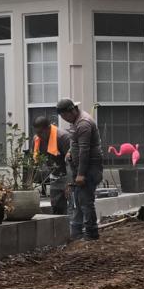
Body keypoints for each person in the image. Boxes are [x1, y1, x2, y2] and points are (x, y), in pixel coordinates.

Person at [56, 98, 104, 241]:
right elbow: (76, 142)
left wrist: (81, 174)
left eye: (65, 116)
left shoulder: (83, 123)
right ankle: (77, 233)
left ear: (72, 111)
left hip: (89, 168)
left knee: (85, 201)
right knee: (78, 200)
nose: (65, 119)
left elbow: (84, 150)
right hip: (80, 168)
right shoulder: (75, 121)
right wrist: (70, 151)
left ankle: (91, 234)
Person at [31, 114, 71, 214]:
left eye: (41, 132)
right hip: (55, 176)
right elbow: (34, 162)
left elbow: (72, 161)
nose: (39, 135)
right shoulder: (37, 139)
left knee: (73, 208)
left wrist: (70, 183)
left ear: (48, 128)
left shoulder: (63, 137)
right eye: (37, 132)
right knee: (56, 208)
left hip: (70, 175)